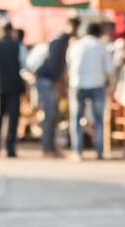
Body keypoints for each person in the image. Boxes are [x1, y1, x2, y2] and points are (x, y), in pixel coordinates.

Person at [66, 21, 114, 160]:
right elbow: (109, 69)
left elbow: (69, 64)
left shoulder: (75, 45)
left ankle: (77, 152)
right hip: (97, 84)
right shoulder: (101, 46)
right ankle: (99, 152)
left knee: (76, 118)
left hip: (77, 84)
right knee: (99, 119)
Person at [34, 17, 77, 158]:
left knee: (53, 114)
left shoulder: (61, 41)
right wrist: (58, 82)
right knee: (50, 114)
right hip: (46, 80)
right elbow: (54, 65)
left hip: (48, 80)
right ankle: (47, 148)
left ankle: (51, 147)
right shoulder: (61, 41)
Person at [0, 21, 23, 157]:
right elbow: (24, 64)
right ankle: (10, 149)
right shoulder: (17, 46)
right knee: (12, 120)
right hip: (14, 86)